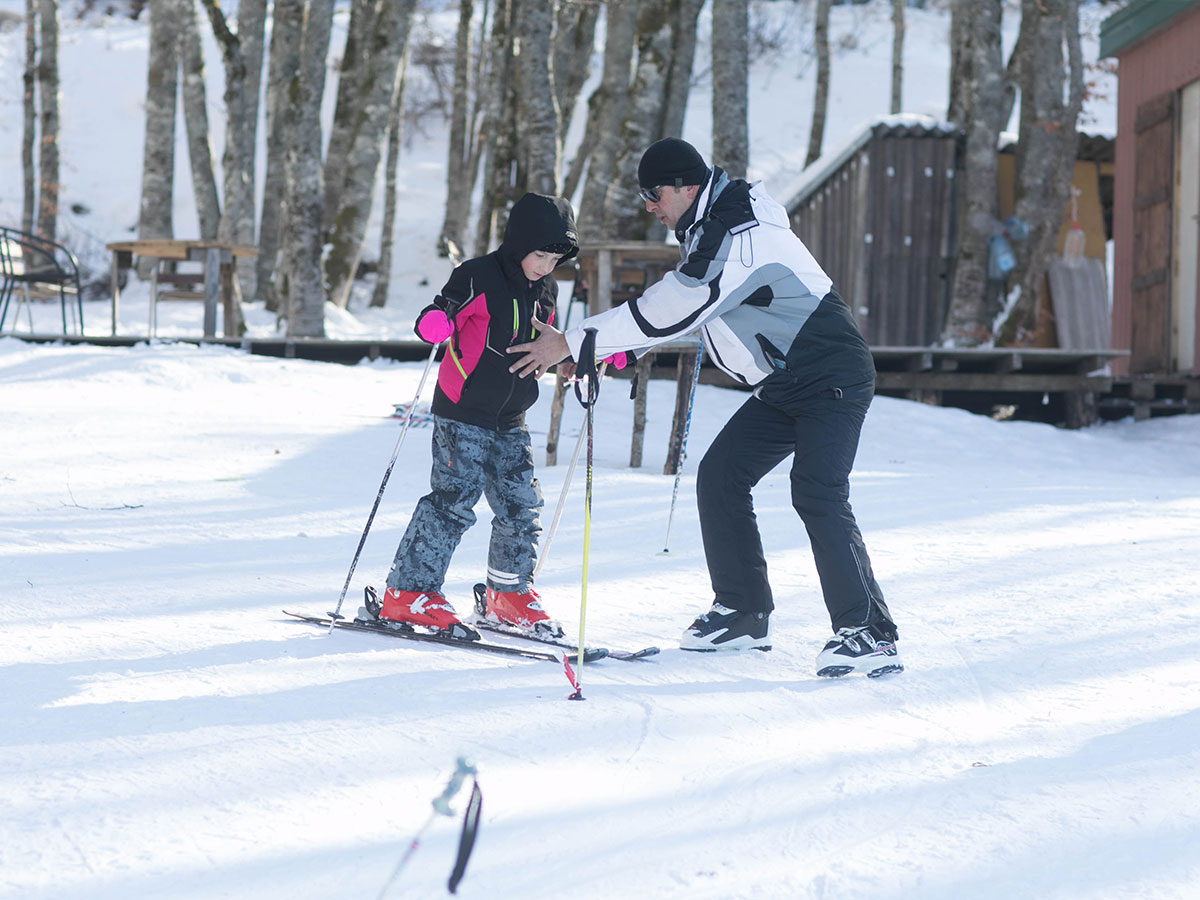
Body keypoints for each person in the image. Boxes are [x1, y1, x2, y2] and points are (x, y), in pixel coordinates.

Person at [507, 138, 902, 677]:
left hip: (830, 374)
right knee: (720, 476)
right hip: (786, 383)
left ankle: (869, 632)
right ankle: (744, 612)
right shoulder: (712, 223)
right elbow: (698, 310)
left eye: (654, 193)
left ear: (687, 187)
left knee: (817, 491)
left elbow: (680, 301)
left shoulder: (738, 232)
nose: (649, 206)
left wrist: (576, 341)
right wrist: (609, 349)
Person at [362, 192, 579, 640]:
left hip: (513, 417)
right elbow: (437, 313)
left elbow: (547, 341)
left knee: (521, 505)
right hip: (463, 411)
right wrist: (434, 325)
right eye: (540, 254)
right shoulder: (477, 275)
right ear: (519, 244)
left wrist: (571, 359)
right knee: (453, 502)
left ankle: (508, 594)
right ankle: (408, 593)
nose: (545, 265)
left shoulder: (547, 290)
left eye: (555, 258)